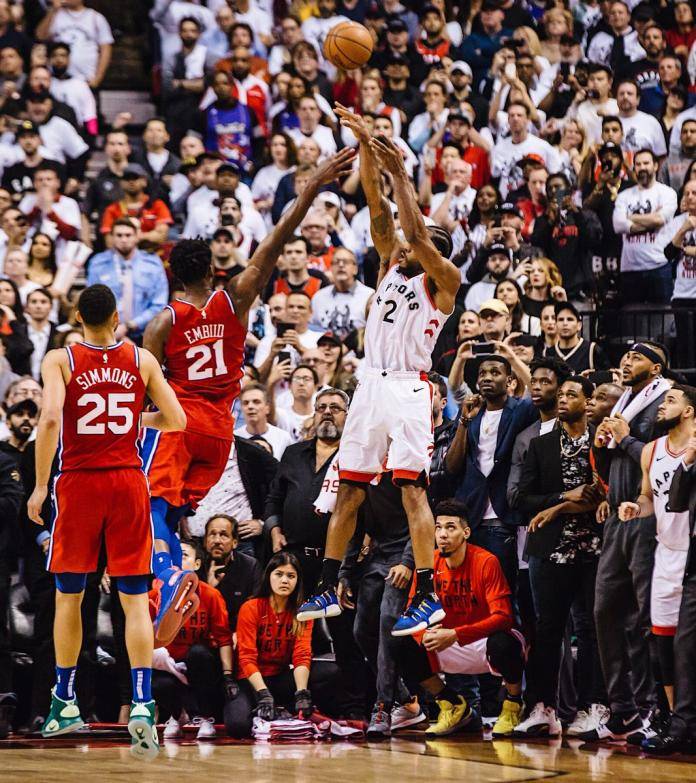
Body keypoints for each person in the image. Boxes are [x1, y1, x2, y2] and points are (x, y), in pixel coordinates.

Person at [140, 149, 355, 645]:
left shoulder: (162, 323)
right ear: (211, 271)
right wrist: (313, 184)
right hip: (221, 431)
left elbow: (146, 395)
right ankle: (172, 575)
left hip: (180, 422)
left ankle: (170, 578)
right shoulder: (235, 298)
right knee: (177, 515)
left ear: (173, 276)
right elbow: (276, 240)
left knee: (155, 508)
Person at [297, 110, 460, 636]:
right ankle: (324, 583)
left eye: (424, 241)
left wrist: (405, 178)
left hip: (409, 387)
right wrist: (365, 143)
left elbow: (411, 224)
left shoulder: (445, 280)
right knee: (349, 488)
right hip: (369, 383)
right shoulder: (393, 261)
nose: (409, 243)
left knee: (412, 491)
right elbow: (374, 201)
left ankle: (429, 592)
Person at [26, 284, 186, 757]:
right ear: (117, 318)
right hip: (128, 483)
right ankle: (142, 702)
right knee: (135, 601)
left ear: (77, 317)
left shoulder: (61, 358)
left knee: (70, 597)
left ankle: (65, 700)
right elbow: (175, 418)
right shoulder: (140, 359)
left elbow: (51, 418)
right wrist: (139, 421)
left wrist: (39, 486)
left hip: (79, 482)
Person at [584, 342, 672, 742]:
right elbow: (610, 463)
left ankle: (652, 706)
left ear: (656, 368)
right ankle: (622, 709)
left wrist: (625, 439)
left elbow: (663, 461)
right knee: (604, 609)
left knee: (640, 617)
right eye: (624, 357)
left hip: (647, 516)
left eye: (636, 358)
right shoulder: (624, 404)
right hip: (616, 514)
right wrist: (604, 443)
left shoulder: (665, 403)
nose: (626, 361)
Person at [514, 376, 605, 737]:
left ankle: (592, 707)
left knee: (589, 630)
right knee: (547, 630)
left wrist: (557, 507)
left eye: (572, 394)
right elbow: (521, 500)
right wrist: (567, 495)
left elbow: (600, 494)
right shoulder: (540, 444)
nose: (564, 399)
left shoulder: (602, 439)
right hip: (549, 550)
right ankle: (543, 708)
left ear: (588, 400)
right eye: (561, 393)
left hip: (593, 547)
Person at [395, 500, 526, 738]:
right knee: (401, 643)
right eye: (438, 527)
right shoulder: (427, 566)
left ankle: (513, 704)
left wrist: (456, 634)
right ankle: (451, 704)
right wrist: (424, 634)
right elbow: (410, 614)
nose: (443, 534)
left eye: (451, 527)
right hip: (446, 643)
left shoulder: (486, 561)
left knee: (507, 644)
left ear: (466, 532)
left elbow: (504, 617)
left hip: (483, 642)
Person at [618, 386, 696, 715]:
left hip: (692, 555)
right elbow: (649, 497)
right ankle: (675, 718)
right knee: (662, 643)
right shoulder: (652, 450)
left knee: (688, 645)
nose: (662, 406)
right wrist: (636, 507)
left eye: (670, 401)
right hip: (666, 553)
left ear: (689, 411)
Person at [445, 353, 536, 597]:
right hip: (470, 515)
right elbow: (451, 465)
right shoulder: (470, 414)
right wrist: (464, 421)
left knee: (502, 593)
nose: (487, 378)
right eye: (483, 374)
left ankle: (506, 636)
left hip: (502, 515)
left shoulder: (519, 410)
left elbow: (535, 389)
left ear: (509, 381)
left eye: (495, 373)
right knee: (471, 592)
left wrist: (512, 358)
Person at [224, 551, 339, 737]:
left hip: (281, 677)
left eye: (291, 576)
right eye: (279, 574)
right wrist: (263, 693)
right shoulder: (251, 608)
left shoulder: (302, 612)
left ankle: (291, 706)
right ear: (268, 576)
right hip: (251, 680)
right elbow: (246, 657)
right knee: (237, 726)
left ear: (297, 581)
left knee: (330, 672)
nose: (285, 580)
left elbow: (302, 654)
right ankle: (266, 707)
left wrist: (302, 692)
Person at [152, 539, 234, 741]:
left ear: (197, 565)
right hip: (168, 665)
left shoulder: (211, 595)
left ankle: (206, 718)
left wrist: (228, 675)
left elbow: (224, 638)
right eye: (172, 557)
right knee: (157, 682)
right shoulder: (156, 593)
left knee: (199, 654)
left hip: (199, 666)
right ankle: (177, 716)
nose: (177, 561)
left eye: (184, 556)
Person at [87, 218, 169, 342]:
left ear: (137, 237)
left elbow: (159, 304)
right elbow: (92, 301)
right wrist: (113, 330)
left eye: (128, 235)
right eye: (119, 235)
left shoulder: (152, 264)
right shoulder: (98, 263)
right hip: (109, 334)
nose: (124, 239)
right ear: (112, 237)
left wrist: (130, 325)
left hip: (146, 334)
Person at [613, 148, 678, 304]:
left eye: (646, 163)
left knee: (663, 320)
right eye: (638, 164)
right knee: (632, 322)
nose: (642, 167)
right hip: (630, 269)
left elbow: (659, 220)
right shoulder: (624, 196)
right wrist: (650, 222)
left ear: (655, 166)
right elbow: (618, 225)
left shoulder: (668, 193)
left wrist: (631, 217)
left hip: (659, 266)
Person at [200, 514, 262, 627]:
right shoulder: (196, 566)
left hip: (238, 629)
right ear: (205, 541)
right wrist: (209, 589)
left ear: (235, 543)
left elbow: (254, 609)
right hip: (206, 631)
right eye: (212, 534)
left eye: (224, 535)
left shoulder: (250, 566)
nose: (217, 540)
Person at [35, 0, 113, 88]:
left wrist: (97, 78)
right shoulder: (56, 15)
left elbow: (105, 50)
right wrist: (53, 10)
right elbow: (40, 36)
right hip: (58, 80)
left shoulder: (96, 18)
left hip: (86, 81)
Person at [544, 302, 610, 374]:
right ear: (556, 324)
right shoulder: (547, 353)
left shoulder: (592, 350)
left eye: (570, 319)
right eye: (561, 319)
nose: (565, 323)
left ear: (579, 325)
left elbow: (605, 382)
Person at [235, 383, 292, 460]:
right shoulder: (234, 438)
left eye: (256, 402)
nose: (250, 406)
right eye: (245, 403)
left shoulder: (283, 438)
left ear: (267, 408)